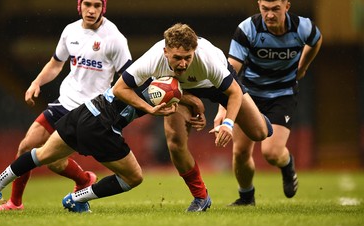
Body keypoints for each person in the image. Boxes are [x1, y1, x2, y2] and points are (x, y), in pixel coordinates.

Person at [0, 0, 133, 211]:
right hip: (64, 102)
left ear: (103, 7)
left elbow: (128, 77)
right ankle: (15, 203)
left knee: (53, 161)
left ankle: (84, 181)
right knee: (26, 147)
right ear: (79, 5)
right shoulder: (70, 31)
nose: (91, 9)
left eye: (97, 5)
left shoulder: (114, 38)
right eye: (87, 4)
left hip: (89, 112)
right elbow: (55, 64)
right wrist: (36, 82)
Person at [113, 23, 273, 212]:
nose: (183, 64)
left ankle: (259, 117)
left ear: (195, 51)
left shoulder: (207, 60)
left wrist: (228, 123)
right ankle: (201, 197)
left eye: (188, 58)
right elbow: (119, 89)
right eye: (177, 58)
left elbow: (234, 93)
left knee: (259, 132)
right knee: (174, 142)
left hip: (213, 85)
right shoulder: (152, 57)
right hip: (178, 90)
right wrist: (150, 108)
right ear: (165, 52)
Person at [0, 85, 180, 213]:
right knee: (134, 177)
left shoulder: (147, 66)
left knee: (43, 155)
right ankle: (76, 199)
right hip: (102, 122)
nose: (182, 63)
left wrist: (190, 100)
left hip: (84, 110)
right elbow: (124, 86)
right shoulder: (143, 66)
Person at [216, 0, 322, 206]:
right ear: (259, 6)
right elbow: (230, 71)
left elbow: (316, 40)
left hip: (282, 94)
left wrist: (303, 65)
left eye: (275, 8)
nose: (270, 14)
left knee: (271, 152)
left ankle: (287, 165)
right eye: (265, 8)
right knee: (241, 152)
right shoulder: (247, 29)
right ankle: (246, 198)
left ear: (287, 6)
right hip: (249, 95)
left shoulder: (302, 27)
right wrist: (222, 108)